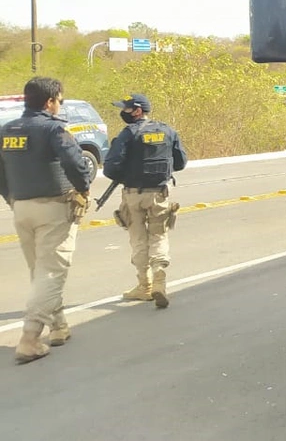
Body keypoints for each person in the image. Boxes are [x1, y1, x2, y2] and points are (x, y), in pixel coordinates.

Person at [0, 77, 91, 364]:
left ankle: (59, 325)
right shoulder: (54, 129)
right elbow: (77, 163)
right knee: (52, 272)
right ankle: (29, 338)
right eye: (59, 100)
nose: (59, 105)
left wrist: (12, 198)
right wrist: (84, 187)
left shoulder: (7, 130)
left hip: (21, 207)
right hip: (53, 207)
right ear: (50, 101)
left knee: (39, 270)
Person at [103, 93, 187, 309]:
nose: (123, 112)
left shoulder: (128, 134)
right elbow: (180, 162)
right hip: (159, 193)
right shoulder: (167, 130)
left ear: (138, 111)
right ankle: (159, 278)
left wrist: (127, 173)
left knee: (138, 238)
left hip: (133, 195)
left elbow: (110, 167)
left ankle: (145, 285)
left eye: (127, 109)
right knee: (159, 235)